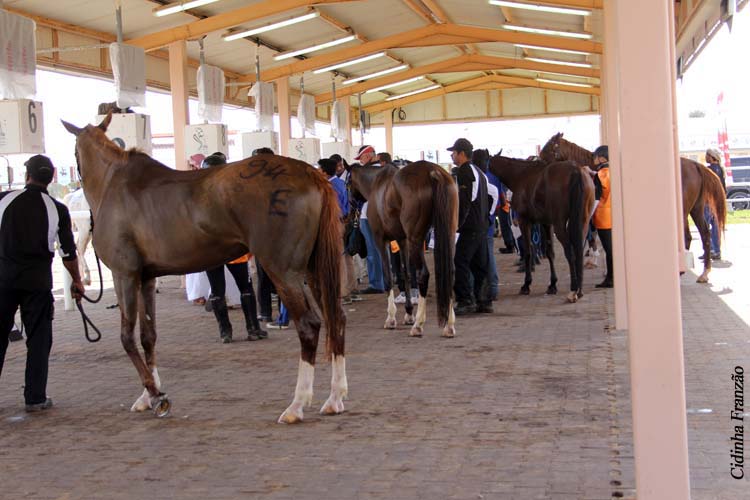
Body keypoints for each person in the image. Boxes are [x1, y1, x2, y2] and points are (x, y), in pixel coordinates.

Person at [0, 155, 85, 412]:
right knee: (39, 339)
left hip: (3, 280)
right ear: (51, 178)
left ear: (27, 175)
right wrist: (77, 281)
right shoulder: (57, 209)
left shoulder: (4, 199)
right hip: (37, 283)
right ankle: (35, 398)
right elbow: (68, 253)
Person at [201, 153, 267, 343]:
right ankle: (253, 329)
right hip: (233, 249)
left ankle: (225, 332)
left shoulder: (198, 195)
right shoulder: (233, 192)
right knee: (245, 287)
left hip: (209, 250)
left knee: (217, 290)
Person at [449, 138, 493, 315]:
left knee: (460, 261)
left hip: (470, 227)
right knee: (480, 265)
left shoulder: (465, 171)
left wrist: (456, 224)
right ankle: (484, 301)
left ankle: (465, 300)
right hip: (481, 226)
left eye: (453, 153)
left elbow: (465, 201)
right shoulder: (480, 172)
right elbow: (490, 196)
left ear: (461, 153)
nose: (452, 156)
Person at [353, 145, 385, 294]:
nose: (361, 162)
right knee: (382, 250)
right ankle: (385, 280)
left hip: (369, 215)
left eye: (361, 158)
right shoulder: (384, 170)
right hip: (382, 214)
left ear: (368, 156)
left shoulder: (369, 172)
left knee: (373, 251)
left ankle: (376, 283)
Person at [472, 149, 500, 301]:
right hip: (486, 225)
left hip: (480, 227)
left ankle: (489, 290)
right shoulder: (491, 177)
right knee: (488, 258)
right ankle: (491, 289)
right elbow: (496, 199)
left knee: (482, 260)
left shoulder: (477, 177)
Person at [592, 146, 613, 288]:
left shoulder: (599, 175)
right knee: (612, 249)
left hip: (602, 216)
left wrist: (588, 214)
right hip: (613, 214)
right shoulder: (612, 172)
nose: (593, 158)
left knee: (608, 249)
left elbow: (596, 198)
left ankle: (610, 278)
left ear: (601, 158)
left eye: (595, 156)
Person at [704, 148, 726, 260]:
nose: (705, 157)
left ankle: (710, 250)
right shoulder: (721, 170)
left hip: (708, 201)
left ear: (711, 157)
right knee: (716, 227)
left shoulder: (708, 170)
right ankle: (716, 250)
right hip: (718, 201)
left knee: (705, 226)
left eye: (707, 155)